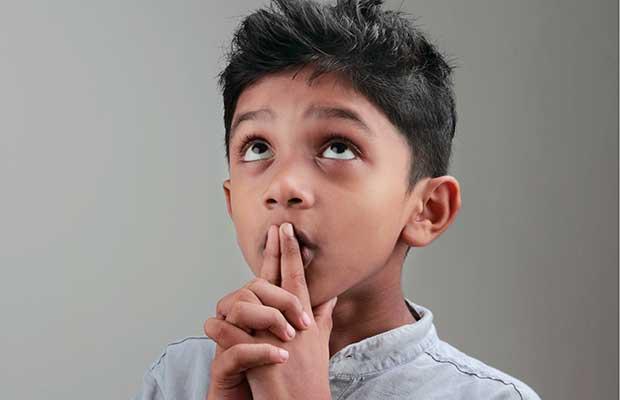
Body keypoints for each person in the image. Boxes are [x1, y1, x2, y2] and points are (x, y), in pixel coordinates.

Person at [133, 0, 541, 398]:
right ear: (231, 202)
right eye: (258, 148)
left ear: (427, 209)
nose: (283, 187)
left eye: (338, 148)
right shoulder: (180, 378)